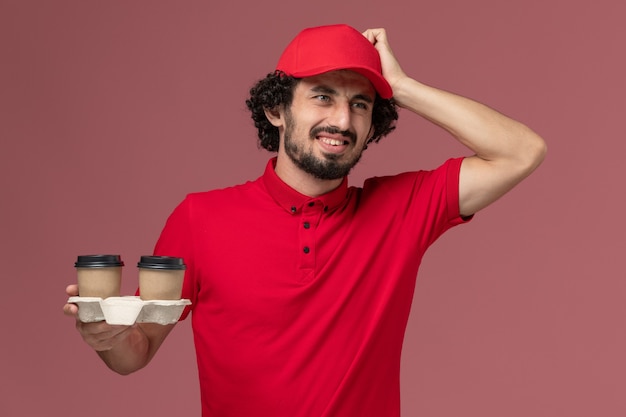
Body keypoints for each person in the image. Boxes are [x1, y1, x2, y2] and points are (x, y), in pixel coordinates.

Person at [64, 24, 546, 416]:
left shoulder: (403, 209)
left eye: (360, 103)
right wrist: (107, 337)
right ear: (276, 109)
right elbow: (137, 349)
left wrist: (402, 88)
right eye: (322, 96)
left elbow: (523, 151)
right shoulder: (200, 218)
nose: (342, 120)